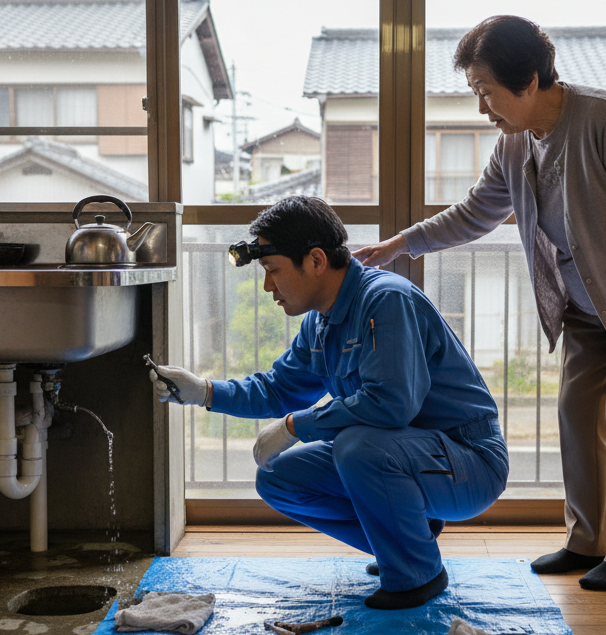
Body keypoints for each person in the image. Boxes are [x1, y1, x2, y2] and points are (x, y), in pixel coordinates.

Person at [355, 16, 606, 592]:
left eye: (486, 91)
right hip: (584, 305)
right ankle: (586, 539)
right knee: (576, 415)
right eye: (476, 92)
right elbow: (476, 212)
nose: (482, 107)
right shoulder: (514, 142)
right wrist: (400, 245)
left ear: (529, 79)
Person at [150, 196, 508, 610]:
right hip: (411, 458)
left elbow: (390, 405)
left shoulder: (386, 300)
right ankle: (404, 542)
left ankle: (417, 574)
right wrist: (204, 391)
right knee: (277, 477)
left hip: (469, 463)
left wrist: (294, 427)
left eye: (273, 270)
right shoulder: (319, 323)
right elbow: (278, 388)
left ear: (316, 260)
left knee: (357, 445)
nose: (268, 287)